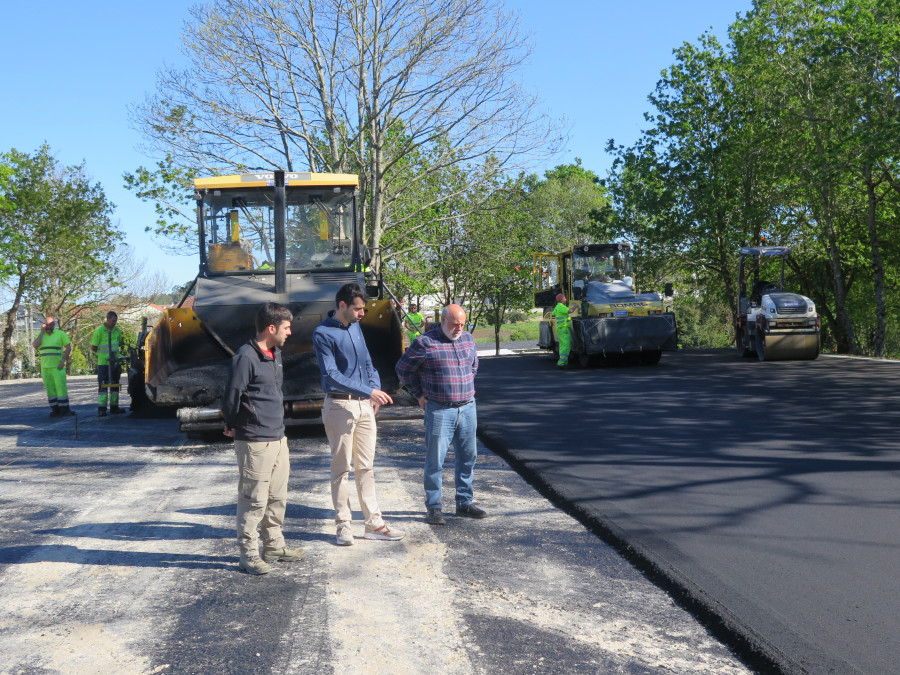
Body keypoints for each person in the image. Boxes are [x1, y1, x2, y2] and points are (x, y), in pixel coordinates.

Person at [313, 282, 405, 546]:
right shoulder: (323, 334)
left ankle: (374, 524)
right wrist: (368, 391)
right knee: (342, 468)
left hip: (364, 406)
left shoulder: (356, 327)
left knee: (366, 467)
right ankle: (343, 526)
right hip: (340, 406)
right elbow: (331, 374)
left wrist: (373, 391)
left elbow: (367, 362)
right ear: (342, 306)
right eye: (358, 308)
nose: (362, 313)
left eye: (363, 308)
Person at [221, 302, 304, 575]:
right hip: (255, 440)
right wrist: (232, 424)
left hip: (278, 438)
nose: (289, 332)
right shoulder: (245, 357)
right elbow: (232, 396)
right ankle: (248, 554)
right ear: (271, 328)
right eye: (286, 327)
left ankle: (274, 546)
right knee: (254, 500)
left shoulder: (275, 353)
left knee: (277, 496)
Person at [395, 304, 485, 525]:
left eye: (462, 325)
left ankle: (464, 502)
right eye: (454, 324)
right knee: (435, 460)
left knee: (468, 457)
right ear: (443, 320)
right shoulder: (424, 343)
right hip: (439, 410)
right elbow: (403, 369)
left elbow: (474, 365)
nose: (458, 329)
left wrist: (464, 384)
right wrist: (419, 394)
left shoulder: (468, 339)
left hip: (468, 407)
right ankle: (434, 507)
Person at [32, 317, 73, 417]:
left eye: (51, 324)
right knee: (50, 389)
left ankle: (65, 409)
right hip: (45, 368)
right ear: (44, 325)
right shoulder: (41, 335)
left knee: (61, 388)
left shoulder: (60, 334)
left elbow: (68, 347)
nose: (49, 326)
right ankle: (55, 410)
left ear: (54, 324)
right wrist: (41, 333)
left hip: (57, 367)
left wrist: (63, 360)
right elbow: (35, 345)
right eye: (47, 324)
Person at [90, 311, 126, 416]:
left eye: (115, 321)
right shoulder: (99, 332)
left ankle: (114, 407)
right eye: (113, 321)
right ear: (107, 319)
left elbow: (119, 342)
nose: (114, 323)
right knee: (103, 385)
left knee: (115, 383)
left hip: (115, 362)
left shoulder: (117, 330)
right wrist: (103, 355)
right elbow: (93, 347)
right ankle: (102, 408)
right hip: (104, 363)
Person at [552, 293, 577, 369]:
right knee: (566, 346)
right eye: (564, 298)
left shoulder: (557, 307)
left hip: (560, 329)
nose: (566, 299)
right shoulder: (561, 307)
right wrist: (575, 306)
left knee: (562, 346)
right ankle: (561, 363)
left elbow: (553, 314)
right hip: (564, 328)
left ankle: (564, 362)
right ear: (561, 300)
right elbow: (570, 311)